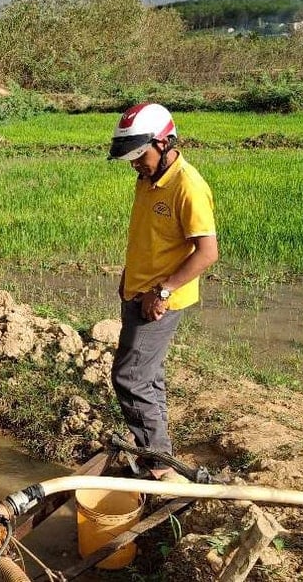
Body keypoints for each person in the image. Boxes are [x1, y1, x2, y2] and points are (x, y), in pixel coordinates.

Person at [107, 103, 219, 483]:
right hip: (139, 292)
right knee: (147, 376)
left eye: (141, 155)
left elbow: (207, 252)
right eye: (131, 158)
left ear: (165, 142)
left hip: (159, 301)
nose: (136, 164)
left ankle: (157, 465)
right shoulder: (148, 179)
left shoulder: (188, 186)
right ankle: (161, 455)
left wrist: (164, 290)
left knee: (129, 378)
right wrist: (129, 277)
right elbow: (148, 237)